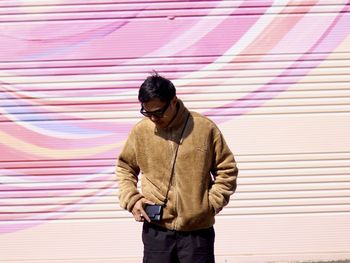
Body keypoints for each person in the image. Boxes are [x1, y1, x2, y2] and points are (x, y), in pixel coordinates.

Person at [116, 73, 238, 263]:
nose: (153, 118)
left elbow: (227, 169)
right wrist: (132, 199)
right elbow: (125, 168)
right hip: (156, 229)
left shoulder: (204, 129)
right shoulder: (141, 131)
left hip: (197, 232)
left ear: (173, 101)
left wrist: (209, 205)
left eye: (158, 112)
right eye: (146, 112)